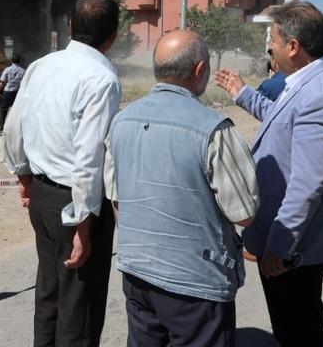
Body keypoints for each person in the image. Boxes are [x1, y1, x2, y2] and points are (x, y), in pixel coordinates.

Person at [105, 30, 259, 346]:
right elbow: (245, 214)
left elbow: (116, 197)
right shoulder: (214, 129)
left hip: (137, 272)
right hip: (196, 282)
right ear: (200, 70)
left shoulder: (121, 122)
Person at [214, 0, 323, 347]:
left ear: (293, 46)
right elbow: (284, 122)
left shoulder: (322, 94)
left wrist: (279, 245)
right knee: (292, 325)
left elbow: (308, 185)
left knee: (297, 329)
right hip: (287, 244)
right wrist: (243, 93)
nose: (269, 47)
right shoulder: (308, 79)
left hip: (294, 250)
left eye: (272, 40)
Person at [3, 0, 120, 347]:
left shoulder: (42, 65)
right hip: (74, 204)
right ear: (113, 35)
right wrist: (85, 223)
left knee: (50, 294)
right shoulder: (101, 78)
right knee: (79, 308)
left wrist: (24, 177)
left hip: (42, 197)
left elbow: (14, 126)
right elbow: (90, 157)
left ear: (69, 27)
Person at [0, 54, 25, 133]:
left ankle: (2, 128)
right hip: (17, 92)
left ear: (11, 61)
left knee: (3, 109)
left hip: (7, 92)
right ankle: (16, 128)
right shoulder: (23, 71)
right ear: (19, 61)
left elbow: (2, 82)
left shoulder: (7, 70)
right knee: (17, 110)